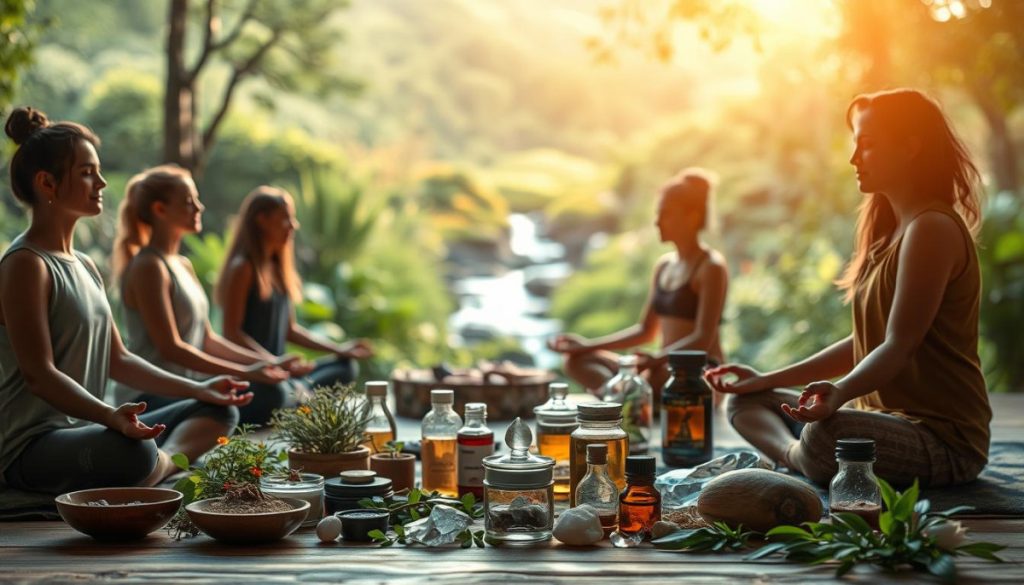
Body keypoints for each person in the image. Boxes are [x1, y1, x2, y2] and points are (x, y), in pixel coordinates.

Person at [707, 89, 992, 488]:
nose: (854, 159)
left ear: (910, 147)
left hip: (943, 441)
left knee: (828, 435)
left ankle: (797, 458)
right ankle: (802, 457)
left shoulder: (932, 229)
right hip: (881, 424)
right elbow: (864, 341)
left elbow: (899, 345)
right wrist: (765, 380)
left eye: (868, 145)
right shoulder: (888, 234)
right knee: (744, 400)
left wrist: (840, 393)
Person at [0, 107, 252, 506]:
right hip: (31, 447)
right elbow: (39, 376)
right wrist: (109, 416)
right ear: (47, 183)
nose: (100, 182)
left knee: (217, 410)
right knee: (132, 452)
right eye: (86, 172)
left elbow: (119, 359)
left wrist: (200, 386)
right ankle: (157, 469)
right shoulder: (25, 265)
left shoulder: (83, 264)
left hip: (93, 429)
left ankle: (155, 470)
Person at [110, 165, 291, 426]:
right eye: (188, 202)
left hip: (190, 387)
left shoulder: (182, 264)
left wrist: (270, 363)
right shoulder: (148, 266)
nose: (199, 207)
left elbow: (207, 339)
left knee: (277, 387)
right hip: (152, 395)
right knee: (269, 395)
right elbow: (171, 348)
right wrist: (247, 372)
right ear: (160, 210)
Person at [548, 168, 728, 399]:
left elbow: (703, 338)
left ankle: (622, 400)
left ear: (691, 216)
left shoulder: (710, 267)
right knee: (576, 361)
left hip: (698, 370)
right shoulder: (664, 266)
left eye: (665, 214)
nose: (657, 222)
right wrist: (586, 346)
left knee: (658, 377)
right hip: (661, 364)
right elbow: (646, 331)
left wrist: (657, 360)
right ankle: (627, 400)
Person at [214, 186, 373, 415]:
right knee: (276, 393)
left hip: (281, 373)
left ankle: (299, 395)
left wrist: (340, 349)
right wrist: (273, 363)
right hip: (258, 376)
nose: (293, 225)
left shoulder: (278, 269)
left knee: (345, 366)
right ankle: (298, 396)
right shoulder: (243, 268)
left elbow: (290, 330)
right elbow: (231, 334)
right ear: (262, 220)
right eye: (286, 218)